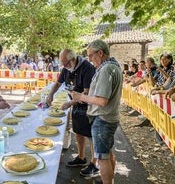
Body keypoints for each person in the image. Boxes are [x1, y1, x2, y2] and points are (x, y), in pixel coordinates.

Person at [71, 39, 123, 184]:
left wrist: (81, 96)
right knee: (108, 153)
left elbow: (102, 100)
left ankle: (107, 181)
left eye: (90, 55)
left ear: (100, 53)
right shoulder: (113, 66)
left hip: (103, 119)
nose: (89, 59)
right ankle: (109, 180)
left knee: (102, 157)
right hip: (109, 117)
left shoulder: (106, 69)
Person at [46, 49, 98, 177]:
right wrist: (51, 94)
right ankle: (81, 158)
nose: (63, 67)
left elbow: (87, 93)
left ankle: (94, 164)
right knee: (78, 131)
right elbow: (58, 83)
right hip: (75, 104)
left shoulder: (87, 68)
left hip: (89, 105)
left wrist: (69, 104)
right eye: (62, 64)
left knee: (91, 136)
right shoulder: (67, 68)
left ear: (73, 60)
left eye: (65, 63)